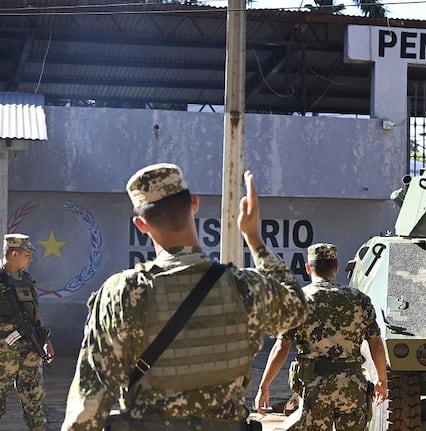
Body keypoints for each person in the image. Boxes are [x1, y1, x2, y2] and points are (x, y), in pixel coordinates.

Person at [61, 163, 308, 431]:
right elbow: (296, 307)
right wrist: (253, 238)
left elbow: (87, 409)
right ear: (194, 204)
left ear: (141, 225)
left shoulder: (122, 294)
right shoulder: (245, 288)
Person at [255, 243, 388, 431]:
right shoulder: (360, 299)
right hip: (352, 386)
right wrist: (382, 380)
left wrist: (264, 386)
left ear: (308, 268)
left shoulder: (299, 300)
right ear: (337, 268)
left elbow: (281, 347)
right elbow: (376, 343)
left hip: (316, 387)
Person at [0, 233, 54, 431]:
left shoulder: (27, 280)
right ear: (14, 254)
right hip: (3, 354)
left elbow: (35, 311)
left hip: (29, 350)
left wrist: (46, 340)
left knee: (34, 402)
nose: (31, 258)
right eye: (27, 254)